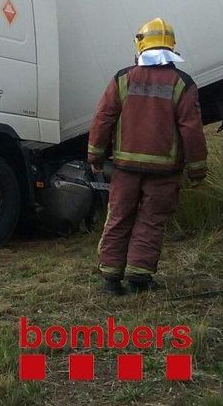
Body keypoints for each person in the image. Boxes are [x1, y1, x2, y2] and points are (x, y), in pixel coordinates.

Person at [88, 18, 208, 295]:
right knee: (151, 221)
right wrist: (197, 169)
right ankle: (139, 279)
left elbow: (103, 118)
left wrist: (95, 155)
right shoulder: (183, 83)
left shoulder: (123, 79)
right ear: (171, 46)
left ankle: (110, 279)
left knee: (118, 216)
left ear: (140, 45)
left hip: (125, 167)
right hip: (165, 170)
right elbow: (191, 130)